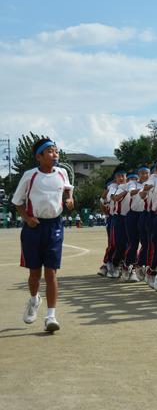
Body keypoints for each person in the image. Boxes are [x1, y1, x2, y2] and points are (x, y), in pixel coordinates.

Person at [12, 138, 74, 332]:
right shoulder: (30, 176)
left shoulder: (62, 173)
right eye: (49, 152)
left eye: (56, 151)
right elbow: (17, 201)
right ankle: (34, 299)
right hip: (33, 226)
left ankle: (51, 316)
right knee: (34, 273)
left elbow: (68, 189)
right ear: (39, 157)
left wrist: (70, 199)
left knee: (51, 272)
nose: (55, 155)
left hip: (55, 226)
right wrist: (27, 218)